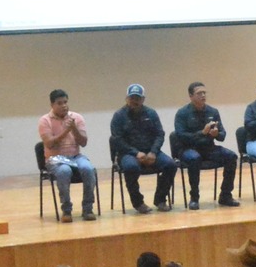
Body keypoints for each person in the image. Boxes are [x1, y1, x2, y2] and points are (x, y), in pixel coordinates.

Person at [171, 81, 238, 209]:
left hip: (208, 148)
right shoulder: (182, 113)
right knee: (194, 158)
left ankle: (225, 195)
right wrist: (202, 133)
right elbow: (180, 137)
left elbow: (222, 136)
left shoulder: (213, 111)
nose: (203, 95)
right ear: (191, 96)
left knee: (231, 156)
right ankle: (194, 197)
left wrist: (216, 134)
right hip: (187, 149)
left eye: (204, 93)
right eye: (199, 93)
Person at [110, 84, 176, 213]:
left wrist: (153, 152)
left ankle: (160, 199)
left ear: (143, 99)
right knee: (130, 168)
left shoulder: (151, 113)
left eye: (138, 98)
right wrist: (135, 153)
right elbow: (117, 140)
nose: (134, 101)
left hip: (151, 152)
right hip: (128, 153)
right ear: (126, 99)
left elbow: (159, 134)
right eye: (132, 98)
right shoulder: (118, 116)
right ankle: (138, 203)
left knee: (171, 165)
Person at [37, 88, 97, 221]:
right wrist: (65, 131)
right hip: (55, 158)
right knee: (64, 171)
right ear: (52, 105)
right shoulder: (44, 121)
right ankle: (66, 210)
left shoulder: (77, 118)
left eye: (65, 102)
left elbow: (83, 142)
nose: (64, 106)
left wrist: (74, 129)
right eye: (59, 103)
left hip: (75, 156)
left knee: (88, 168)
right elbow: (50, 144)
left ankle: (88, 209)